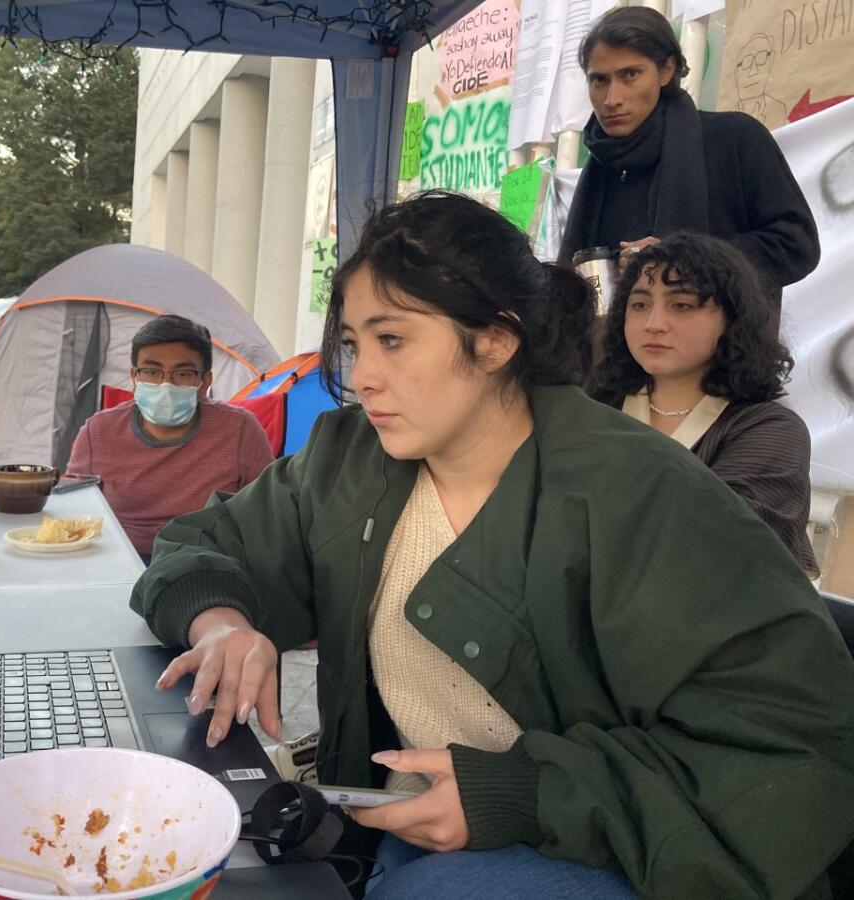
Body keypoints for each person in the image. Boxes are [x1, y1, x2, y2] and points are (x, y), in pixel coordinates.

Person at [130, 192, 854, 897]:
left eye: (392, 339)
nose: (363, 376)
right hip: (396, 829)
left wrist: (524, 794)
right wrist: (222, 621)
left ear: (497, 341)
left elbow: (790, 745)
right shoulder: (351, 456)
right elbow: (203, 543)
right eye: (352, 344)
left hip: (604, 849)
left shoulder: (638, 492)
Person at [589, 232, 819, 576]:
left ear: (732, 318)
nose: (653, 324)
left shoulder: (771, 429)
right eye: (639, 304)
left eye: (681, 305)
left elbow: (721, 547)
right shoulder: (594, 407)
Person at [559, 7, 819, 300]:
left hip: (726, 344)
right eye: (599, 80)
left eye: (630, 74)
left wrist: (687, 260)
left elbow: (796, 245)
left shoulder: (733, 139)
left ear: (666, 70)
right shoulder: (602, 168)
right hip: (611, 345)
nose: (612, 99)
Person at [66, 314, 273, 562]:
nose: (166, 384)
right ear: (135, 377)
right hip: (119, 560)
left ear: (204, 381)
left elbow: (268, 511)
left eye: (183, 374)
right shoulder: (98, 431)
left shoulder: (240, 430)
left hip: (207, 561)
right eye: (152, 372)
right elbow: (74, 508)